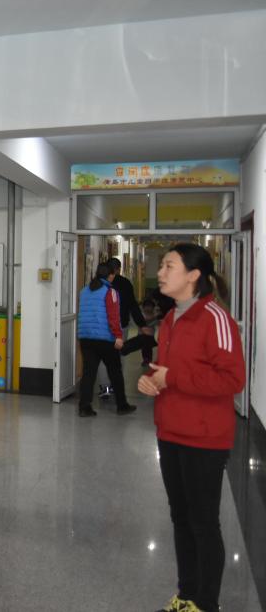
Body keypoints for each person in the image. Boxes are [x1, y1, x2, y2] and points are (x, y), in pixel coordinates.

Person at [139, 244, 245, 612]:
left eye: (169, 266)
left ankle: (206, 603)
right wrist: (151, 380)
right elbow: (167, 371)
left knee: (203, 522)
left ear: (193, 275)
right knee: (181, 518)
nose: (160, 273)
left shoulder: (215, 318)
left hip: (204, 438)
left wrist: (172, 378)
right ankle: (186, 597)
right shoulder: (171, 318)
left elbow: (232, 379)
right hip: (170, 432)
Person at [76, 262, 137, 418]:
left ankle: (84, 407)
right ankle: (122, 405)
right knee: (115, 372)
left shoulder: (84, 291)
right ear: (111, 275)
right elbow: (113, 316)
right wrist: (118, 336)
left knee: (89, 373)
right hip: (105, 339)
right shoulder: (110, 292)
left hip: (86, 338)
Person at [103, 257, 150, 399]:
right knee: (118, 356)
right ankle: (115, 386)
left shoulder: (99, 283)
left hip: (103, 327)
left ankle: (105, 387)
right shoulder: (125, 284)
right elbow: (133, 305)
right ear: (119, 269)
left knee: (104, 357)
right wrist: (142, 324)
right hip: (120, 326)